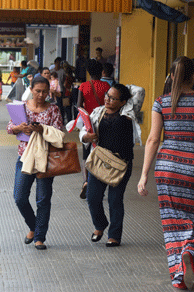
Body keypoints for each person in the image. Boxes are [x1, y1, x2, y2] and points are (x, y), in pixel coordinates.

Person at [137, 56, 194, 290]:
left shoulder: (161, 102)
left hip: (167, 167)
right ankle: (189, 250)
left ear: (172, 76)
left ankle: (178, 277)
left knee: (172, 222)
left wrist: (143, 174)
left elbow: (153, 139)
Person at [6, 76, 63, 250]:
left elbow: (59, 132)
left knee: (43, 199)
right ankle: (33, 226)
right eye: (38, 91)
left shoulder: (53, 109)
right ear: (31, 89)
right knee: (19, 197)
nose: (41, 95)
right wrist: (20, 128)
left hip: (45, 159)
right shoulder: (21, 107)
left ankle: (39, 237)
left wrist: (42, 129)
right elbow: (10, 128)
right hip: (24, 158)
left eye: (45, 92)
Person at [80, 84, 134, 247]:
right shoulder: (98, 111)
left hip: (121, 163)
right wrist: (86, 137)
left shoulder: (129, 113)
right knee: (92, 197)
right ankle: (100, 225)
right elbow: (84, 129)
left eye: (112, 98)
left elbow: (139, 91)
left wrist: (125, 87)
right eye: (106, 95)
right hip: (100, 161)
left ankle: (114, 236)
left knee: (115, 199)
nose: (107, 99)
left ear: (123, 101)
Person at [77, 59, 111, 199]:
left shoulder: (83, 86)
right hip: (104, 123)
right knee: (102, 153)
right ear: (101, 71)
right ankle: (99, 182)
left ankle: (86, 181)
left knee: (86, 154)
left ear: (88, 72)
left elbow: (79, 105)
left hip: (89, 125)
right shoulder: (107, 86)